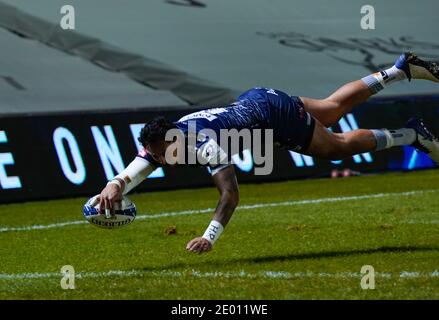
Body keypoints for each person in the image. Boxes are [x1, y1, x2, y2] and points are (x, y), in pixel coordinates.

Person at [96, 52, 439, 254]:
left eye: (162, 154)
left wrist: (209, 236)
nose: (160, 160)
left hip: (275, 119)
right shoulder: (172, 134)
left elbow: (230, 194)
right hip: (258, 98)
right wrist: (117, 183)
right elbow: (144, 162)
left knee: (338, 147)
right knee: (332, 108)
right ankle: (399, 70)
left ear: (173, 141)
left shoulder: (204, 146)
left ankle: (409, 135)